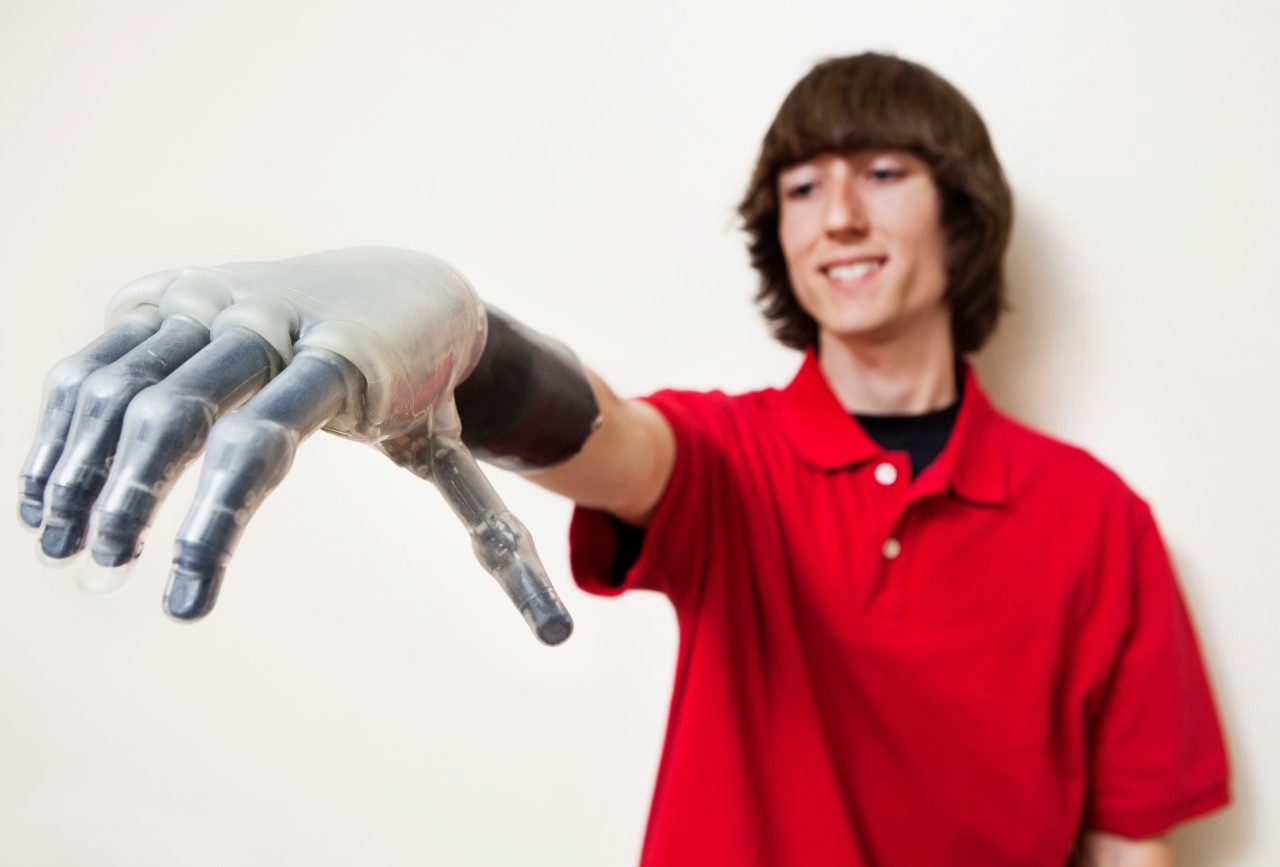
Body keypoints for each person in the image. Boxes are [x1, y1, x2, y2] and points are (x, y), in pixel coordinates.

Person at [20, 53, 1229, 865]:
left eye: (881, 173)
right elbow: (614, 440)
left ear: (958, 213)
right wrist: (474, 348)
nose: (837, 216)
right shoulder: (736, 457)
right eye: (801, 187)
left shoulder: (1094, 518)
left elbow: (1133, 848)